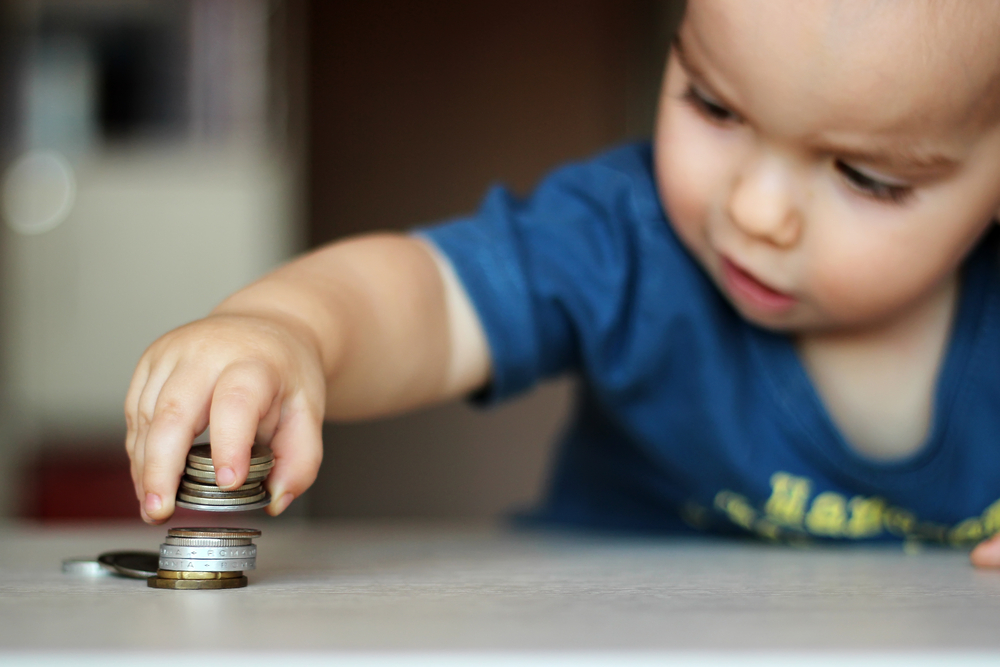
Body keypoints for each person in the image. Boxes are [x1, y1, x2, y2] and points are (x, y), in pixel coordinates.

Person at [124, 0, 1000, 566]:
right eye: (714, 105)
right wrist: (290, 327)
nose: (759, 210)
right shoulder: (623, 237)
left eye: (865, 176)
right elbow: (434, 298)